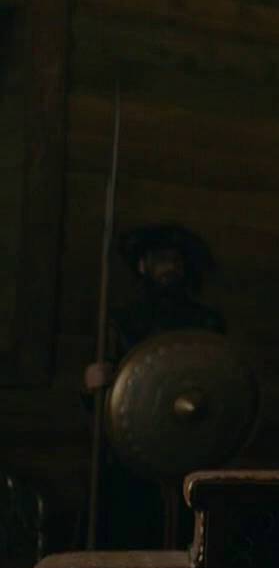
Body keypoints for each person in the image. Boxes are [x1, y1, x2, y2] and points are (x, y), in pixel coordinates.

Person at [81, 222, 226, 548]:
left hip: (191, 444)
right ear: (143, 266)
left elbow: (220, 381)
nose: (169, 268)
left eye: (175, 260)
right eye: (161, 260)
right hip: (134, 448)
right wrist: (94, 385)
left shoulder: (205, 323)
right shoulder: (122, 321)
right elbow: (101, 397)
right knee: (131, 529)